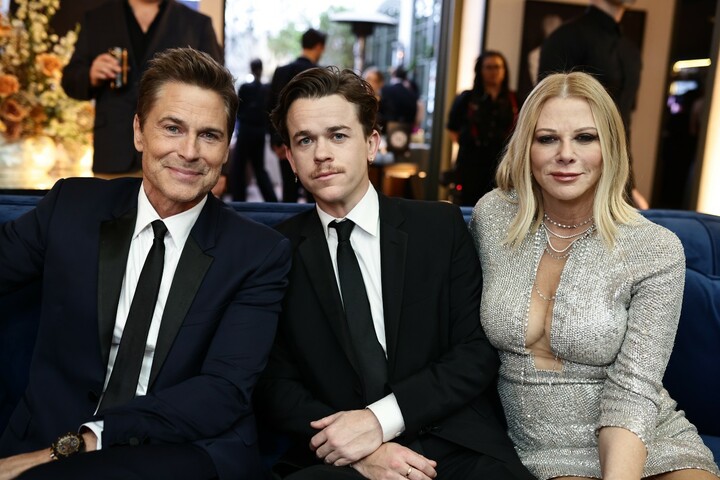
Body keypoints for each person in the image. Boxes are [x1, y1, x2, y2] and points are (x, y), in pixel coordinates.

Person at [0, 48, 291, 480]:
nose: (189, 152)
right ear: (139, 131)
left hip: (181, 450)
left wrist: (84, 442)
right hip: (45, 434)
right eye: (172, 128)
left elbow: (222, 391)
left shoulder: (258, 253)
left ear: (227, 147)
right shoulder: (72, 206)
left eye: (209, 135)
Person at [254, 66, 534, 480]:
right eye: (304, 140)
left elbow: (475, 352)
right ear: (291, 158)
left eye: (338, 135)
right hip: (338, 459)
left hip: (450, 442)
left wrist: (379, 423)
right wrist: (356, 448)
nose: (321, 154)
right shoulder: (274, 252)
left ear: (371, 144)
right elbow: (273, 385)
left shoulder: (439, 228)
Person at [470, 71, 720, 479]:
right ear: (525, 148)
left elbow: (634, 390)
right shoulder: (494, 218)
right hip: (543, 446)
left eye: (585, 138)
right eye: (547, 138)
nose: (565, 154)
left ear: (610, 147)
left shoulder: (655, 248)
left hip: (644, 435)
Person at [61, 0, 222, 176]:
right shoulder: (97, 18)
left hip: (178, 159)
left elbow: (219, 94)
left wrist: (222, 170)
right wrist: (91, 74)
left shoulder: (196, 23)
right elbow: (69, 81)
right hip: (113, 152)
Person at [537, 0, 649, 209]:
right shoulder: (565, 39)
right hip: (570, 178)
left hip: (614, 178)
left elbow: (622, 123)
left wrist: (629, 185)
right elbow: (545, 115)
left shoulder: (629, 50)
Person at [447, 51, 518, 206]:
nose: (494, 72)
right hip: (472, 165)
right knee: (469, 205)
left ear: (504, 70)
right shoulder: (466, 98)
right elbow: (452, 128)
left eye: (498, 67)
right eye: (489, 67)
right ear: (480, 70)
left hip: (504, 163)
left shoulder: (515, 99)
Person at [268, 28, 327, 202]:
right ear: (319, 47)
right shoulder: (321, 74)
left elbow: (272, 107)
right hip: (316, 144)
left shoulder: (282, 71)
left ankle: (287, 229)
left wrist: (277, 142)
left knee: (289, 191)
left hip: (286, 142)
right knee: (316, 194)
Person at [231, 58, 278, 202]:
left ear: (251, 69)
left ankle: (239, 200)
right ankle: (272, 201)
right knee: (259, 167)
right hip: (259, 132)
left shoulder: (245, 88)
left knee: (239, 166)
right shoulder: (267, 88)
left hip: (246, 130)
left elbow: (237, 110)